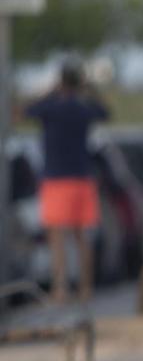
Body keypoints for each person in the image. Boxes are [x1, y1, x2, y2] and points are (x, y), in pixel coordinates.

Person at [22, 62, 110, 303]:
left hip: (55, 180)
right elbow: (105, 112)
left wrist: (51, 91)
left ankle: (61, 288)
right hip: (83, 179)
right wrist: (89, 90)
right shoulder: (83, 109)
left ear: (60, 82)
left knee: (57, 239)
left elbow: (25, 110)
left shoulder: (50, 108)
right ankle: (86, 288)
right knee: (83, 238)